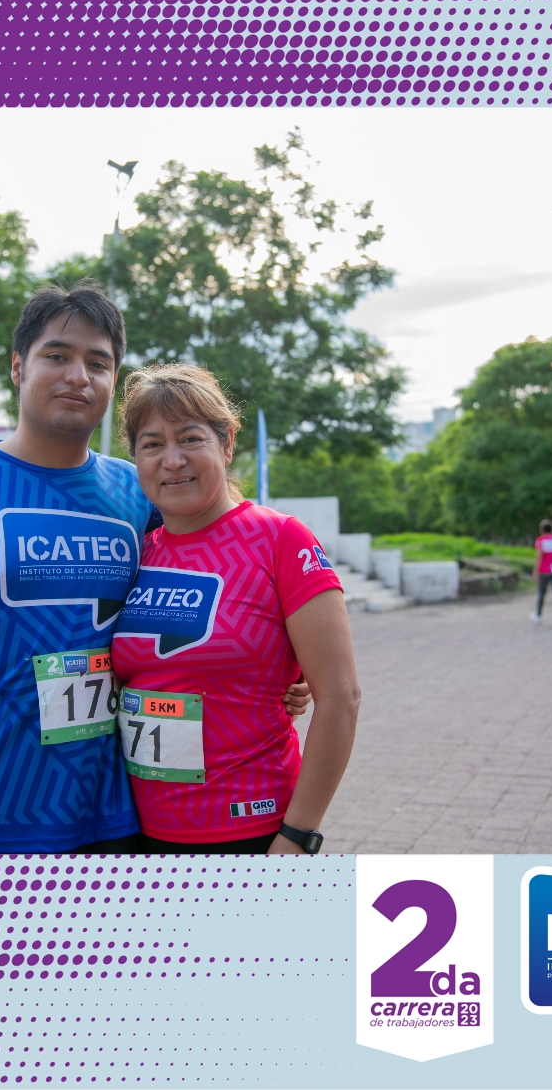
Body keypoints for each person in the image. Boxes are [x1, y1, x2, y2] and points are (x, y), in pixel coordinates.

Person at [0, 281, 309, 857]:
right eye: (57, 356)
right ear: (18, 366)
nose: (78, 376)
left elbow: (222, 573)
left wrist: (282, 671)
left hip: (112, 814)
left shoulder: (139, 491)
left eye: (97, 363)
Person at [108, 365, 359, 854]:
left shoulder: (280, 539)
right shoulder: (138, 552)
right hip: (141, 832)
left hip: (252, 831)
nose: (173, 460)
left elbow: (341, 697)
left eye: (190, 439)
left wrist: (297, 836)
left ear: (226, 444)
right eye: (152, 444)